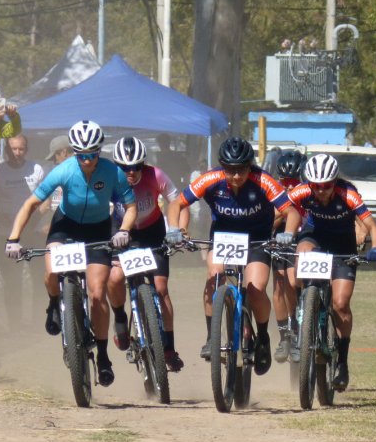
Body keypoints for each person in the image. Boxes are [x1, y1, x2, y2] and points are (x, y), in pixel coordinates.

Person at [4, 120, 137, 387]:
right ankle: (54, 304)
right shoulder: (64, 170)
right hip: (65, 225)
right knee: (52, 270)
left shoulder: (113, 172)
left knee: (98, 293)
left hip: (98, 229)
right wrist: (14, 238)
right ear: (74, 152)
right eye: (82, 155)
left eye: (92, 154)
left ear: (99, 151)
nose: (87, 160)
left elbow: (131, 206)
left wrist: (123, 229)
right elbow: (31, 203)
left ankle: (102, 355)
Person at [165, 136, 292, 376]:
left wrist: (288, 233)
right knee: (214, 279)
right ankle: (211, 337)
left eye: (242, 169)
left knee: (255, 288)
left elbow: (290, 210)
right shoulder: (210, 179)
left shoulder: (263, 180)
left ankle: (263, 336)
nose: (236, 176)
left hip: (256, 238)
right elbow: (176, 204)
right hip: (223, 237)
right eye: (231, 170)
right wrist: (174, 228)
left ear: (250, 166)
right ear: (222, 167)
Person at [280, 153, 376, 391]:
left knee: (340, 304)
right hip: (314, 237)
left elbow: (372, 226)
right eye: (316, 186)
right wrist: (279, 231)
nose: (320, 191)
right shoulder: (302, 192)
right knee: (299, 260)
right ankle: (304, 316)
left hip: (342, 245)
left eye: (326, 186)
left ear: (334, 182)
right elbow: (279, 211)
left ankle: (343, 362)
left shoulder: (348, 194)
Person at [107, 136, 187, 372]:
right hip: (121, 232)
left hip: (152, 232)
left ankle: (169, 348)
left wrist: (180, 230)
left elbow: (178, 202)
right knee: (114, 278)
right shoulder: (110, 178)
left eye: (136, 167)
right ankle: (120, 319)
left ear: (144, 164)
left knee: (161, 289)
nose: (130, 173)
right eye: (124, 168)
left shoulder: (156, 176)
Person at [0, 134, 46, 327]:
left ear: (26, 150)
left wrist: (36, 218)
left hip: (34, 232)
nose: (18, 153)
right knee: (12, 281)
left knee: (40, 277)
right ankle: (15, 324)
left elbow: (47, 199)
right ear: (7, 151)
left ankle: (40, 321)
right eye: (14, 149)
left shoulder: (36, 169)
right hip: (7, 235)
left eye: (21, 149)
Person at [272, 150, 307, 362]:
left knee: (293, 281)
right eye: (286, 181)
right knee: (278, 285)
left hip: (303, 240)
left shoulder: (309, 192)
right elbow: (271, 221)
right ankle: (284, 337)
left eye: (294, 181)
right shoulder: (276, 194)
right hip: (279, 240)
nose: (290, 186)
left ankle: (297, 324)